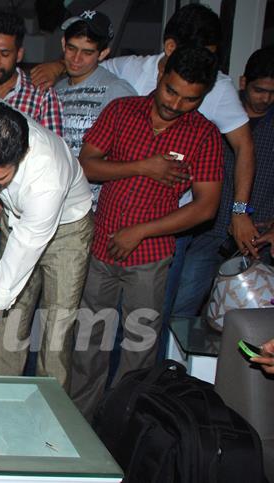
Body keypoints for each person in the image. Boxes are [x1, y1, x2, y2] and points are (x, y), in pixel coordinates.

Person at [69, 47, 224, 420]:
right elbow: (87, 166)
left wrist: (140, 231)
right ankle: (78, 424)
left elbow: (205, 207)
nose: (177, 104)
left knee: (139, 349)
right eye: (172, 91)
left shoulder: (204, 135)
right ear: (160, 75)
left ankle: (123, 426)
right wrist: (145, 167)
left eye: (191, 99)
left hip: (151, 256)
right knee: (89, 343)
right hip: (101, 247)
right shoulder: (122, 111)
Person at [31, 4, 258, 258]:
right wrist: (58, 66)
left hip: (172, 222)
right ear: (171, 48)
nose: (203, 65)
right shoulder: (131, 69)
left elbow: (244, 146)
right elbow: (88, 62)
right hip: (110, 215)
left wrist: (239, 211)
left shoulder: (218, 88)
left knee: (157, 297)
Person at [0, 100, 93, 388]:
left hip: (68, 229)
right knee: (10, 318)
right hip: (15, 217)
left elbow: (9, 276)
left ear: (20, 157)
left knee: (57, 325)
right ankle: (3, 398)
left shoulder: (46, 179)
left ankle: (52, 413)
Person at [0, 11, 64, 376]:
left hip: (20, 220)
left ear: (19, 54)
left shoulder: (41, 96)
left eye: (4, 53)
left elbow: (38, 166)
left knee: (11, 308)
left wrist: (1, 198)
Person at [172, 47, 274, 317]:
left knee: (253, 315)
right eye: (259, 90)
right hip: (208, 231)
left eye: (273, 93)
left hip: (259, 238)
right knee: (180, 304)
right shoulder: (216, 111)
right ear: (243, 83)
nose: (266, 99)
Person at [54, 10, 136, 211]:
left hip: (96, 210)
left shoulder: (117, 91)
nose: (76, 58)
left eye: (87, 52)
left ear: (103, 53)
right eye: (72, 48)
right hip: (57, 205)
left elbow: (133, 154)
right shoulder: (56, 89)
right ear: (64, 44)